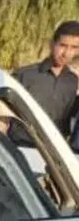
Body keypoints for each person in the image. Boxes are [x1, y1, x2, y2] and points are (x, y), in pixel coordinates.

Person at [9, 20, 79, 148]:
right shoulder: (24, 75)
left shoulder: (73, 81)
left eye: (74, 47)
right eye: (63, 45)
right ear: (52, 44)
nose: (67, 53)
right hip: (20, 146)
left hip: (54, 152)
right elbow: (2, 114)